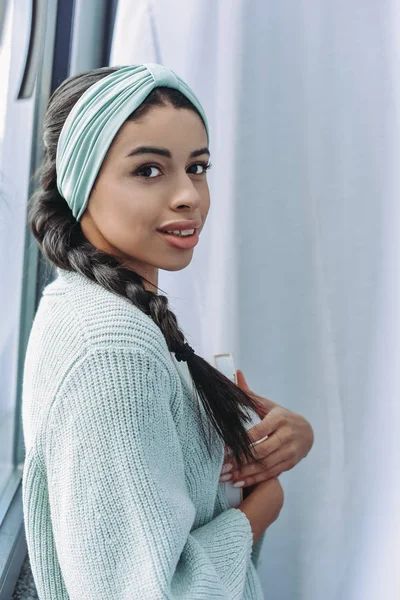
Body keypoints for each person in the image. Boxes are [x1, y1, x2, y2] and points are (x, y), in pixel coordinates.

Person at [21, 63, 314, 599]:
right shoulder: (112, 349)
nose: (189, 196)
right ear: (80, 181)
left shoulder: (94, 310)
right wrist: (257, 513)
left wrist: (267, 441)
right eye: (149, 171)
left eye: (197, 167)